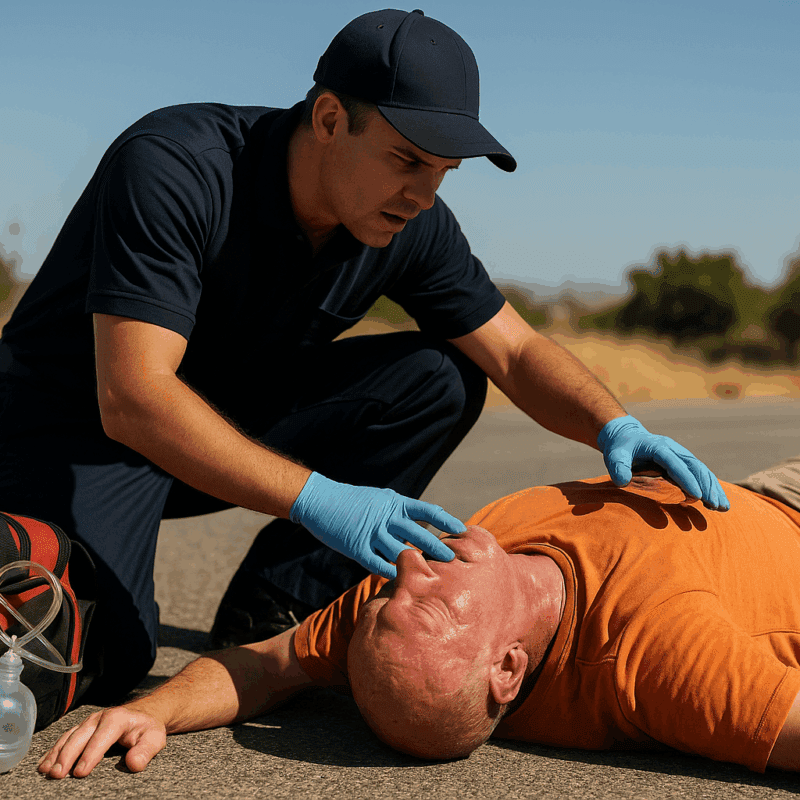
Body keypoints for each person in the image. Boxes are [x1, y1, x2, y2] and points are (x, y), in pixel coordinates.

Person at [0, 9, 727, 704]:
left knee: (438, 377)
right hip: (76, 433)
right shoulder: (175, 167)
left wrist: (614, 426)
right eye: (406, 159)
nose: (422, 193)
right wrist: (322, 498)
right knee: (113, 648)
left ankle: (276, 611)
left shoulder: (410, 221)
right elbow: (132, 396)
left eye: (444, 169)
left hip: (217, 425)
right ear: (327, 119)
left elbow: (515, 348)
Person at [35, 457, 800, 779]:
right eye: (429, 606)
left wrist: (153, 709)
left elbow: (262, 667)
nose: (404, 569)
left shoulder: (392, 615)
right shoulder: (655, 660)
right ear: (507, 669)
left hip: (742, 482)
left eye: (392, 595)